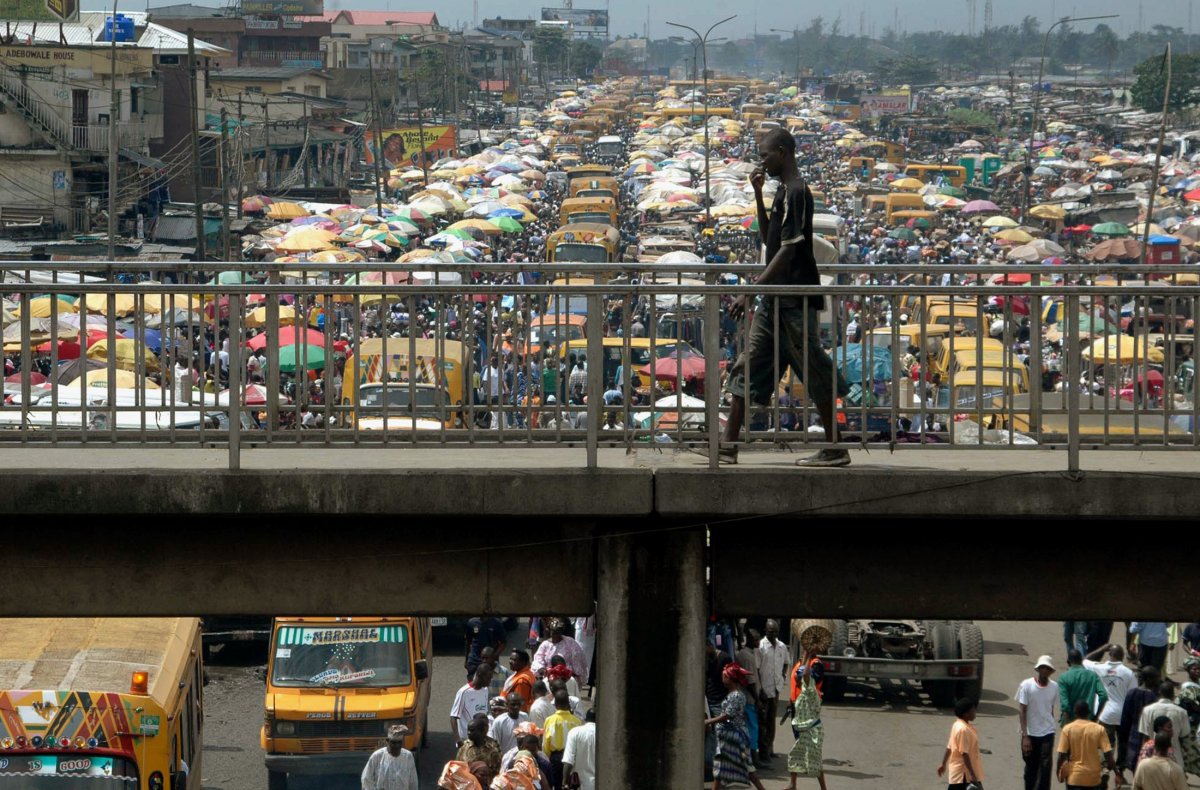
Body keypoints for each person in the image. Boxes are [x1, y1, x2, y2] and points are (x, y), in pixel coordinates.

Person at [705, 127, 850, 468]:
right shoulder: (782, 191)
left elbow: (788, 251)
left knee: (814, 370)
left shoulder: (798, 191)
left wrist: (750, 290)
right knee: (747, 365)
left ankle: (834, 447)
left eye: (766, 154)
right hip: (772, 302)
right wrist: (758, 195)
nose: (762, 161)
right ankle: (728, 445)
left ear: (783, 152)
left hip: (793, 301)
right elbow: (769, 235)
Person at [707, 663, 768, 790]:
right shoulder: (733, 694)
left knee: (746, 767)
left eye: (724, 676)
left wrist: (708, 721)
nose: (722, 679)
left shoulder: (736, 695)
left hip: (735, 737)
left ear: (730, 679)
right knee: (720, 768)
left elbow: (727, 715)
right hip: (728, 737)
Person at [1085, 643, 1138, 768]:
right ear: (1122, 656)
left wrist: (1102, 648)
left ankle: (1106, 766)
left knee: (1106, 743)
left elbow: (1085, 660)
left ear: (1109, 654)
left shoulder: (1100, 668)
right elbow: (1133, 694)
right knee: (1123, 742)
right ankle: (1120, 768)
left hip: (1105, 713)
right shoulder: (1129, 673)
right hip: (1122, 714)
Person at [786, 645, 828, 790]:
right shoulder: (804, 687)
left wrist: (808, 655)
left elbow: (804, 676)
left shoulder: (811, 690)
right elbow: (799, 676)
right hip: (802, 724)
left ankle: (823, 788)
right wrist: (805, 655)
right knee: (795, 755)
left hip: (811, 729)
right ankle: (792, 784)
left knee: (814, 760)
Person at [1057, 700, 1122, 790]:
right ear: (1088, 713)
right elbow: (1108, 755)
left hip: (1074, 778)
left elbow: (1062, 755)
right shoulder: (1099, 729)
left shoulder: (1067, 729)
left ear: (1075, 713)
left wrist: (1058, 770)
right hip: (1093, 779)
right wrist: (1117, 772)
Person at [1017, 654, 1059, 790]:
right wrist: (1025, 736)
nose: (1045, 670)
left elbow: (1050, 708)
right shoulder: (1026, 685)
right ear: (1038, 669)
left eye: (1047, 668)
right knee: (1031, 766)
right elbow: (1022, 710)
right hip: (1030, 733)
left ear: (1051, 671)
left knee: (1046, 767)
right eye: (1042, 668)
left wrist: (1051, 726)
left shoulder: (1054, 687)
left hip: (1047, 732)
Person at [757, 620, 791, 762]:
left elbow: (786, 663)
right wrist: (760, 688)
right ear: (766, 631)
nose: (774, 635)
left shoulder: (782, 646)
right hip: (764, 690)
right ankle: (763, 752)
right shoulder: (760, 646)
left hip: (776, 689)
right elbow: (757, 669)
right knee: (763, 721)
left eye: (776, 632)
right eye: (771, 632)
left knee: (771, 721)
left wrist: (782, 676)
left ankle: (770, 748)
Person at [1138, 682, 1191, 772]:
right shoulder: (1181, 712)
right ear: (1173, 695)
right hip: (1175, 759)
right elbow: (1184, 736)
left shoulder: (1147, 710)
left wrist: (1142, 758)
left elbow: (1145, 737)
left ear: (1159, 693)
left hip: (1152, 758)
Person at [938, 698, 984, 790]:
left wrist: (943, 763)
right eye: (973, 710)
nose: (975, 712)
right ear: (966, 714)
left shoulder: (958, 725)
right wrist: (972, 776)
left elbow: (950, 746)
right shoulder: (963, 730)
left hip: (962, 774)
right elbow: (964, 753)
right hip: (963, 775)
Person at [1123, 667, 1162, 771]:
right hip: (1148, 734)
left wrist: (1125, 734)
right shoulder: (1154, 697)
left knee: (1134, 761)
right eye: (1156, 678)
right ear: (1149, 679)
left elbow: (1125, 717)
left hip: (1133, 732)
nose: (1159, 681)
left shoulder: (1131, 693)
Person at [542, 690, 582, 790]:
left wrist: (547, 757)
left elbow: (546, 744)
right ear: (568, 704)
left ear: (555, 705)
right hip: (572, 759)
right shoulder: (577, 721)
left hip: (555, 758)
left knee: (557, 785)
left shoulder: (549, 720)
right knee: (572, 784)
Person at [361, 724, 418, 790]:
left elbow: (413, 782)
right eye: (393, 743)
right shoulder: (377, 756)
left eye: (399, 742)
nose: (396, 746)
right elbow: (366, 779)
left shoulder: (408, 757)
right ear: (387, 741)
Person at [1060, 649, 1108, 724]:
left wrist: (1066, 726)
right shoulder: (1093, 675)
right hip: (1088, 721)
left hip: (1071, 721)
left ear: (1068, 662)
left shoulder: (1064, 677)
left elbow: (1065, 706)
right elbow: (1104, 696)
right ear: (1081, 661)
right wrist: (1096, 716)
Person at [451, 665, 494, 747]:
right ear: (480, 675)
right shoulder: (464, 692)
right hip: (467, 741)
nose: (490, 681)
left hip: (482, 740)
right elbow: (453, 716)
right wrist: (458, 740)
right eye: (488, 678)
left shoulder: (485, 690)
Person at [562, 707, 596, 790]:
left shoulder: (575, 732)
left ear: (585, 719)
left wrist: (564, 783)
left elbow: (568, 760)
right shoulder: (606, 735)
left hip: (580, 785)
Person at [465, 616, 507, 681]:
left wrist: (494, 656)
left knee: (489, 686)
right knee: (473, 686)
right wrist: (467, 660)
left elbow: (503, 643)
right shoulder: (471, 622)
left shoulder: (497, 623)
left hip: (490, 663)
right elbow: (468, 642)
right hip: (474, 662)